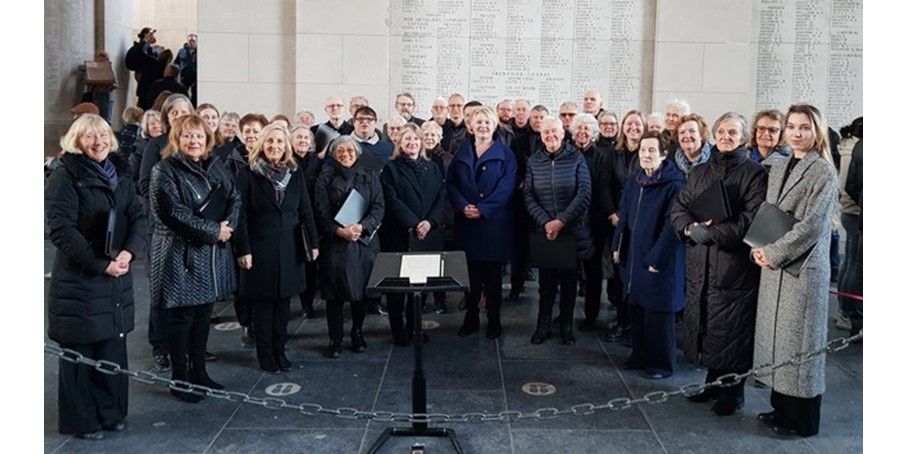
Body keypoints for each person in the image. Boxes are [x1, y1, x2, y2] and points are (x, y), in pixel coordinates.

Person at [46, 114, 146, 439]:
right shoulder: (65, 176)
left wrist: (128, 253)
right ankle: (83, 421)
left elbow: (137, 216)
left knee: (112, 349)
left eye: (103, 134)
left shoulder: (122, 172)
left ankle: (111, 413)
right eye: (90, 137)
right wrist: (100, 263)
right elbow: (61, 230)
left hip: (117, 274)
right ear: (77, 141)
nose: (98, 141)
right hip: (82, 279)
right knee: (81, 353)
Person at [751, 104, 839, 437]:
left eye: (804, 127)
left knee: (800, 345)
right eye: (792, 126)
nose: (796, 133)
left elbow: (812, 226)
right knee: (778, 341)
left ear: (816, 131)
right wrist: (758, 249)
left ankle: (802, 422)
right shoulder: (781, 165)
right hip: (774, 263)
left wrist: (773, 252)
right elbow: (769, 211)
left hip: (802, 268)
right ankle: (780, 409)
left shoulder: (823, 171)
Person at [671, 112, 767, 416]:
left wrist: (710, 233)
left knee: (732, 328)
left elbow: (750, 220)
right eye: (722, 131)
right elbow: (680, 207)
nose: (726, 137)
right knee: (709, 325)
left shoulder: (754, 174)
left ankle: (733, 393)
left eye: (733, 132)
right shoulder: (699, 172)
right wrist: (689, 229)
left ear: (743, 137)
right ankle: (711, 384)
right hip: (701, 262)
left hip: (732, 264)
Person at [149, 114, 240, 402]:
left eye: (199, 136)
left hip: (211, 254)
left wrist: (229, 227)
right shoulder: (164, 170)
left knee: (203, 317)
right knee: (182, 319)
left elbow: (235, 197)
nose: (194, 141)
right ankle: (180, 378)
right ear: (177, 138)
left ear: (207, 139)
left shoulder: (215, 166)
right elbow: (173, 214)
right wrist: (215, 231)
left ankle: (199, 372)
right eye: (188, 135)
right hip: (180, 254)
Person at [234, 124, 319, 373]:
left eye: (280, 142)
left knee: (283, 305)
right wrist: (243, 249)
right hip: (259, 248)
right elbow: (241, 217)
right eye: (270, 142)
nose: (275, 146)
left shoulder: (294, 173)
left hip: (289, 247)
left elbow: (305, 209)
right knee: (263, 306)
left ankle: (280, 350)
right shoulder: (248, 174)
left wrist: (313, 243)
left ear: (287, 147)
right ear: (262, 144)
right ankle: (265, 355)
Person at [613, 130, 684, 379]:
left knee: (658, 312)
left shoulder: (673, 184)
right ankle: (639, 355)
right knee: (637, 307)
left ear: (664, 154)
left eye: (652, 150)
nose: (646, 154)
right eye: (643, 150)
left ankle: (661, 364)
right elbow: (624, 213)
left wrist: (657, 257)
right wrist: (616, 244)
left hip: (658, 255)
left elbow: (671, 226)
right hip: (634, 252)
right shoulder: (636, 179)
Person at [446, 106, 517, 339]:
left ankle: (494, 319)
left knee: (493, 278)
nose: (483, 126)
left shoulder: (506, 154)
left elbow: (507, 187)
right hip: (467, 222)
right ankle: (471, 318)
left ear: (495, 125)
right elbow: (452, 183)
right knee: (471, 276)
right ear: (470, 126)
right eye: (478, 122)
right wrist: (462, 205)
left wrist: (484, 209)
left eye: (487, 122)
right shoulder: (461, 152)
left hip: (493, 223)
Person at [314, 136, 385, 358]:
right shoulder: (324, 177)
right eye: (340, 151)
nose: (346, 154)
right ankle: (335, 339)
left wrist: (362, 227)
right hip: (336, 244)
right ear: (334, 154)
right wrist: (339, 230)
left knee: (361, 293)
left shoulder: (369, 175)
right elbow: (320, 211)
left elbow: (378, 206)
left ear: (357, 152)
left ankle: (357, 332)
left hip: (363, 242)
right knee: (335, 295)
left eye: (350, 150)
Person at [524, 116, 592, 345]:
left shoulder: (576, 158)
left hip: (570, 231)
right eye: (546, 133)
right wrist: (546, 222)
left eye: (554, 132)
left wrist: (561, 221)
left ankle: (566, 327)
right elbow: (528, 195)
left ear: (563, 134)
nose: (550, 136)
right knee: (546, 285)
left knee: (570, 283)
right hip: (546, 232)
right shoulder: (534, 161)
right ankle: (542, 326)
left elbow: (584, 193)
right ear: (541, 136)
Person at [380, 123, 446, 345]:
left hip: (426, 235)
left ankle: (414, 326)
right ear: (399, 143)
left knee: (420, 285)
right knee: (398, 286)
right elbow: (391, 199)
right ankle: (398, 331)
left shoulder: (432, 167)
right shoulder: (391, 168)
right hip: (399, 233)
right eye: (407, 139)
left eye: (416, 139)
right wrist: (414, 222)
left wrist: (430, 222)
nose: (412, 143)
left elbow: (441, 197)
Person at [602, 109, 645, 344]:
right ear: (623, 127)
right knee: (618, 273)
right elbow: (604, 185)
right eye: (629, 124)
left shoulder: (648, 151)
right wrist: (611, 213)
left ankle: (635, 323)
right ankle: (621, 319)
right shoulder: (614, 153)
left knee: (635, 272)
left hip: (639, 219)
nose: (633, 129)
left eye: (638, 125)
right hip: (616, 219)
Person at [570, 113, 610, 331]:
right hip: (570, 222)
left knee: (593, 272)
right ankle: (565, 313)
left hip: (594, 222)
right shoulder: (567, 153)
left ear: (594, 133)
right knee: (568, 271)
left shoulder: (603, 157)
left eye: (587, 129)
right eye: (579, 128)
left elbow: (603, 190)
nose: (582, 133)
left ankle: (591, 316)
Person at [291, 124, 322, 318]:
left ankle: (307, 304)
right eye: (298, 137)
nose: (303, 140)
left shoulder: (317, 162)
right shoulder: (286, 162)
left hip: (313, 218)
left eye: (306, 138)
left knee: (311, 263)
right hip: (292, 219)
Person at [836, 117, 862, 335]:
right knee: (856, 266)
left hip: (848, 210)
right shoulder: (859, 149)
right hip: (856, 211)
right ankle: (849, 314)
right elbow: (853, 185)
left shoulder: (847, 146)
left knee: (850, 263)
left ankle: (845, 310)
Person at [131, 110, 162, 181]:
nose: (156, 126)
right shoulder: (139, 145)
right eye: (152, 124)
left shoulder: (167, 142)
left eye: (159, 123)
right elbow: (134, 172)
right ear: (146, 127)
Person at [174, 33, 197, 105]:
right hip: (184, 76)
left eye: (193, 41)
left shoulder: (200, 51)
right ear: (187, 41)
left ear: (196, 41)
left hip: (196, 77)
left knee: (195, 95)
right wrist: (177, 70)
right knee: (182, 94)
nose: (191, 42)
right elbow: (176, 62)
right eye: (190, 40)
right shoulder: (181, 51)